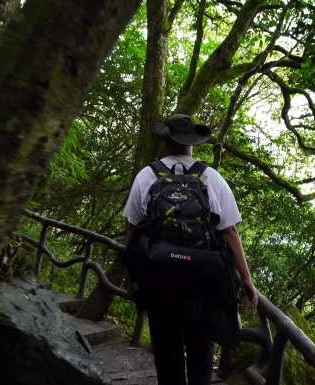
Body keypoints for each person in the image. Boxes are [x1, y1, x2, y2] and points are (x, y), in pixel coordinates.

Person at [122, 114, 257, 385]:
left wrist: (133, 272)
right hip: (202, 281)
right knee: (200, 349)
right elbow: (229, 231)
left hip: (160, 279)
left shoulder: (147, 175)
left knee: (166, 349)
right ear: (191, 143)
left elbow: (132, 228)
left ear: (165, 141)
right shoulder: (210, 177)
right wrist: (247, 278)